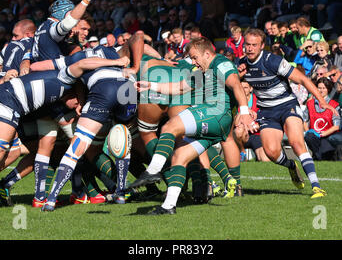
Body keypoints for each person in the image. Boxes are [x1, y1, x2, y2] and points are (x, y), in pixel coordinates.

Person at [130, 37, 256, 214]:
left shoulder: (220, 62)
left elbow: (235, 83)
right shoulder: (203, 71)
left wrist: (244, 111)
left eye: (195, 57)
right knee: (179, 156)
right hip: (217, 121)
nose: (194, 62)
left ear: (207, 53)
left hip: (216, 112)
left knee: (169, 127)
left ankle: (153, 170)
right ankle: (168, 206)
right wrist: (151, 85)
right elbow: (180, 87)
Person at [0, 57, 128, 206]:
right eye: (77, 102)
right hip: (8, 102)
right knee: (2, 149)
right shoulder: (64, 78)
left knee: (16, 151)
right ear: (72, 92)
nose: (75, 107)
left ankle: (32, 195)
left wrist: (79, 101)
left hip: (12, 104)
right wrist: (116, 62)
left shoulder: (55, 97)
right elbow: (82, 63)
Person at [238, 28, 331, 199]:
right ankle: (291, 166)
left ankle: (317, 187)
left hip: (287, 105)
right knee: (271, 152)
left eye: (254, 45)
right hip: (266, 111)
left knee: (296, 142)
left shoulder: (273, 61)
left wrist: (322, 100)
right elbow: (234, 87)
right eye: (247, 45)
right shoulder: (242, 65)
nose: (250, 48)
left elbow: (303, 79)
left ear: (262, 46)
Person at [303, 77, 341, 161]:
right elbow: (304, 121)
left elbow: (336, 126)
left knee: (323, 155)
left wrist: (321, 134)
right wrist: (308, 131)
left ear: (328, 89)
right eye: (319, 88)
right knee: (309, 137)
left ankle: (318, 157)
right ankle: (318, 157)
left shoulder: (334, 105)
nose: (321, 90)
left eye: (324, 88)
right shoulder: (310, 103)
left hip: (329, 136)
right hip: (313, 136)